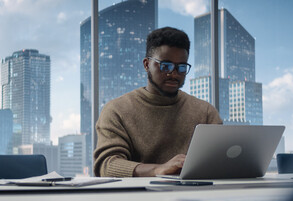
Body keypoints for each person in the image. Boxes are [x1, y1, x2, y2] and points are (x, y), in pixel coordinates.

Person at [93, 27, 222, 177]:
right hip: (137, 197)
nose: (173, 74)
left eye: (181, 67)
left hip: (195, 194)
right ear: (147, 64)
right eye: (165, 66)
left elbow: (221, 160)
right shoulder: (116, 110)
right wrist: (158, 170)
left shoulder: (205, 112)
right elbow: (106, 165)